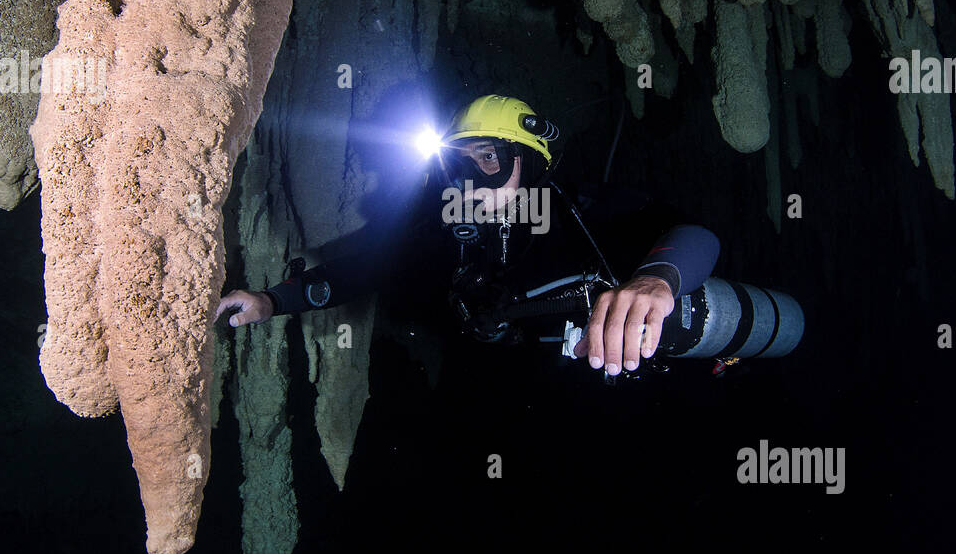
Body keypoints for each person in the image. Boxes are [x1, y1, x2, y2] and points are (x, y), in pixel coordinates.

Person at [214, 95, 721, 377]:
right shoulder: (449, 224)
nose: (473, 181)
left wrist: (657, 280)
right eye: (461, 162)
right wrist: (268, 301)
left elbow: (697, 234)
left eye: (489, 159)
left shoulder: (577, 211)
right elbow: (362, 269)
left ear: (530, 162)